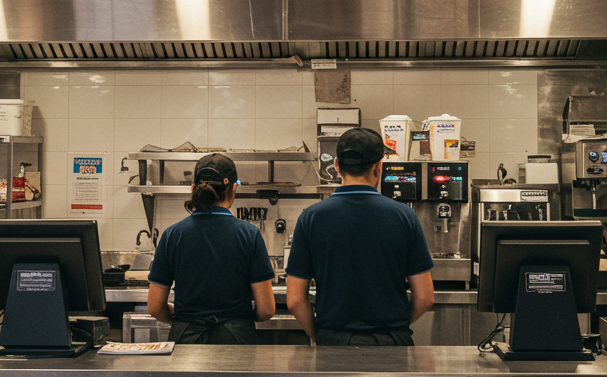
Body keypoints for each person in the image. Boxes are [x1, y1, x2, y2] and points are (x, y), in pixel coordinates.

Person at [286, 127, 434, 345]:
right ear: (378, 167)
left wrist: (321, 337)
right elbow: (425, 297)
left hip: (333, 341)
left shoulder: (310, 218)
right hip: (391, 343)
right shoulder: (405, 216)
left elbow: (295, 300)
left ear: (337, 166)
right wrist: (396, 329)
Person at [147, 153, 276, 343]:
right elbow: (266, 309)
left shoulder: (172, 235)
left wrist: (183, 317)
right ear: (234, 188)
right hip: (236, 341)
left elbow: (155, 307)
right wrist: (238, 319)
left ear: (193, 189)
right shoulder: (249, 234)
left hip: (186, 343)